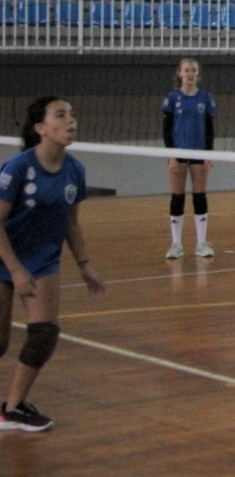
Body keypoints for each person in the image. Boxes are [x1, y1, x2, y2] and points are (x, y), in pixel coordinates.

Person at [0, 97, 107, 432]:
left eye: (72, 114)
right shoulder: (18, 168)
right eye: (61, 115)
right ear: (41, 128)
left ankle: (13, 408)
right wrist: (16, 270)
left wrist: (85, 263)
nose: (71, 120)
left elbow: (71, 223)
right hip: (4, 254)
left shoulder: (75, 169)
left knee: (44, 334)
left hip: (44, 259)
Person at [162, 57, 217, 260]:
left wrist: (209, 154)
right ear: (180, 74)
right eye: (187, 70)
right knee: (177, 197)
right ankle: (176, 244)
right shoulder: (172, 98)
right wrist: (171, 154)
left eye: (193, 70)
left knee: (199, 196)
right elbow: (166, 131)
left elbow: (210, 130)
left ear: (197, 74)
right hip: (178, 152)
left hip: (199, 153)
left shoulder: (205, 98)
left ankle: (201, 244)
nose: (190, 73)